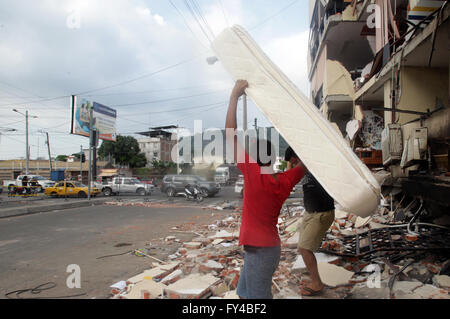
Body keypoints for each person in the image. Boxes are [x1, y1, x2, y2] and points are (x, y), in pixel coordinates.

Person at [226, 80, 305, 299]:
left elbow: (230, 135)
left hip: (260, 252)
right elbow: (303, 166)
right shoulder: (284, 180)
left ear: (255, 159)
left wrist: (234, 96)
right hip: (264, 250)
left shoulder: (253, 174)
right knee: (243, 293)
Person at [285, 146, 335, 297]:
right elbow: (288, 179)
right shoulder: (302, 169)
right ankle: (315, 278)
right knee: (302, 247)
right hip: (310, 213)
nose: (294, 166)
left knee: (305, 249)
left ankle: (317, 284)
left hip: (321, 213)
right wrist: (291, 162)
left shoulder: (314, 163)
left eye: (294, 162)